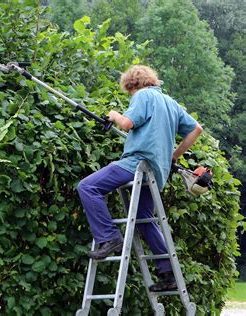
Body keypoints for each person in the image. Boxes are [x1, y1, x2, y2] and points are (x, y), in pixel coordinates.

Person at [76, 65, 203, 291]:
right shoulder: (171, 103)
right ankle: (168, 273)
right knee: (144, 218)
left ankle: (109, 237)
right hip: (157, 170)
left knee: (87, 187)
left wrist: (114, 115)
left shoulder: (142, 95)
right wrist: (173, 156)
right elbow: (197, 129)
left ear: (132, 85)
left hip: (137, 164)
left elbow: (126, 124)